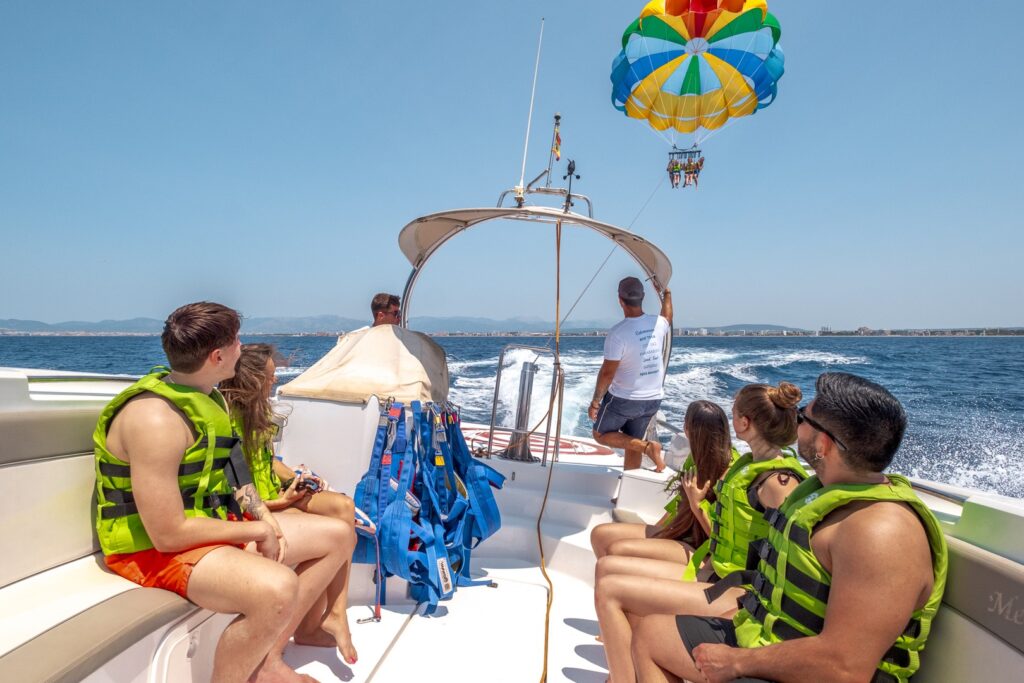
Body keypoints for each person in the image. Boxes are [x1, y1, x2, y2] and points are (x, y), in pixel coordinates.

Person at [632, 373, 948, 683]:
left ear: (823, 443)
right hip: (770, 639)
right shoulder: (820, 493)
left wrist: (736, 661)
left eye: (801, 418)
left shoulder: (881, 531)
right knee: (651, 633)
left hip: (818, 672)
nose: (793, 424)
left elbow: (845, 668)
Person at [94, 302, 350, 683]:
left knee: (338, 534)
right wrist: (256, 531)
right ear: (217, 356)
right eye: (235, 342)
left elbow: (235, 475)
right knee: (278, 587)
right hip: (150, 550)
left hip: (207, 528)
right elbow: (167, 534)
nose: (241, 347)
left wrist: (264, 516)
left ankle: (267, 661)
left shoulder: (206, 396)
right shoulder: (155, 420)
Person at [594, 382, 806, 683]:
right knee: (612, 577)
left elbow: (793, 555)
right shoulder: (749, 466)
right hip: (717, 573)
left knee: (612, 589)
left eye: (734, 414)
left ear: (744, 423)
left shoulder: (778, 481)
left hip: (744, 594)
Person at [220, 343, 360, 665]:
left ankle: (330, 617)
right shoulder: (227, 420)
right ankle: (308, 627)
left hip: (275, 495)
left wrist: (296, 475)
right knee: (338, 530)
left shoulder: (256, 413)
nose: (274, 384)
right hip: (256, 507)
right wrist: (280, 502)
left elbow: (267, 462)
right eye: (269, 378)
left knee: (343, 507)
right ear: (251, 380)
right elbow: (236, 489)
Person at [590, 400, 734, 564]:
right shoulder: (694, 460)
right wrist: (657, 531)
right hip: (681, 532)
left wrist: (697, 504)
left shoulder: (729, 474)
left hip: (702, 548)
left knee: (617, 551)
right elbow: (679, 504)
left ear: (687, 429)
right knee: (600, 535)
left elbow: (723, 541)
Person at [588, 277, 673, 472]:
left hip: (625, 400)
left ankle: (648, 447)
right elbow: (668, 316)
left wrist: (595, 402)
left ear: (620, 300)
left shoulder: (618, 333)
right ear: (642, 297)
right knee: (631, 441)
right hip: (653, 399)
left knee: (599, 434)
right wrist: (667, 293)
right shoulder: (658, 323)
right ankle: (628, 490)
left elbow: (608, 373)